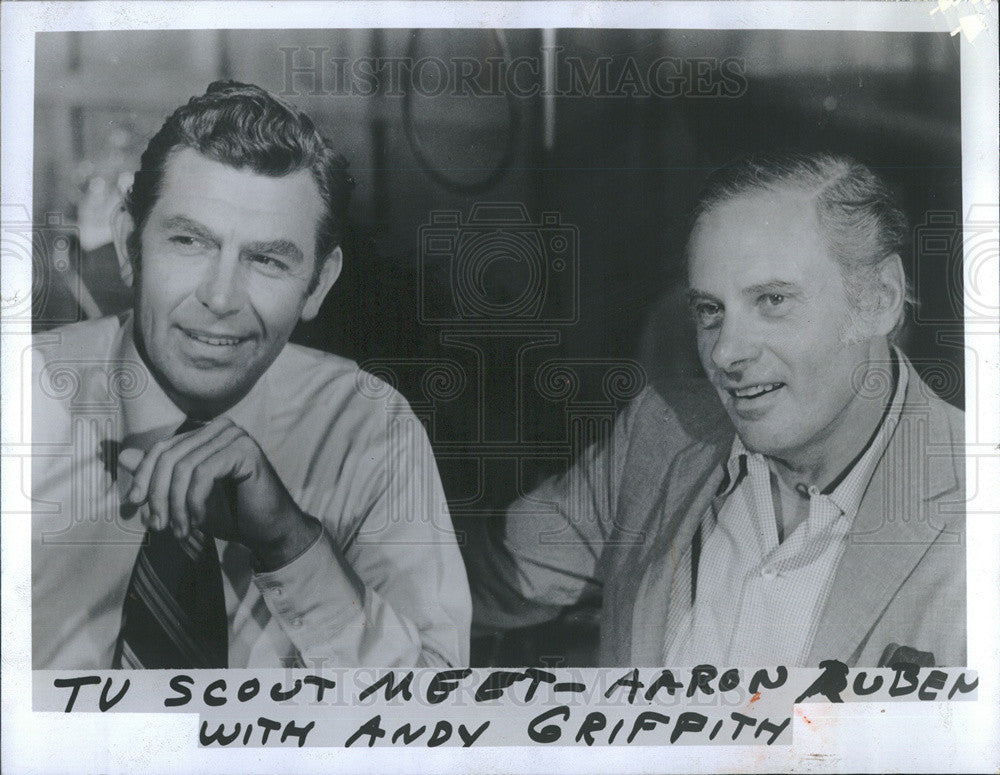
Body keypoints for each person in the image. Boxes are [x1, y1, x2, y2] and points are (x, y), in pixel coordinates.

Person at [32, 81, 470, 669]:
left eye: (266, 260)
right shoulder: (22, 396)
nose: (220, 297)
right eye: (189, 242)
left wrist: (290, 541)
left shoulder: (366, 424)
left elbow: (438, 718)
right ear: (130, 248)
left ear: (317, 284)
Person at [471, 152, 965, 667]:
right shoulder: (663, 432)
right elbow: (473, 584)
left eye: (772, 301)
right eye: (710, 310)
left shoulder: (976, 500)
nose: (726, 353)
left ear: (880, 298)